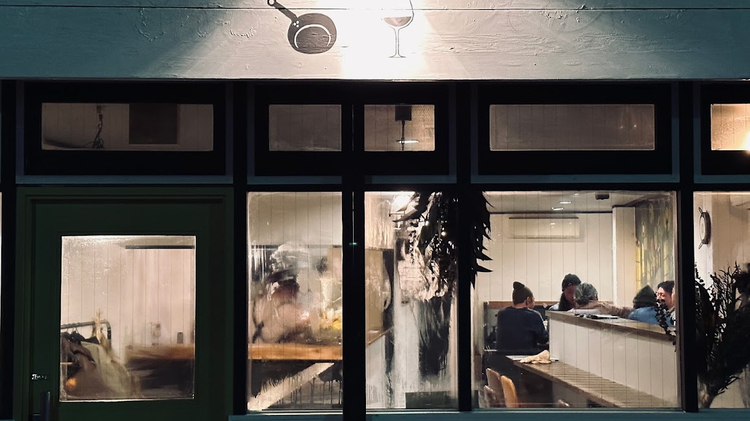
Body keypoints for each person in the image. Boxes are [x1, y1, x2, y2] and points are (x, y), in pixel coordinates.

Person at [496, 282, 549, 354]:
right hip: (526, 357)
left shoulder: (502, 314)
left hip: (503, 357)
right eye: (533, 299)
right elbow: (543, 339)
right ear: (528, 300)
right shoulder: (533, 315)